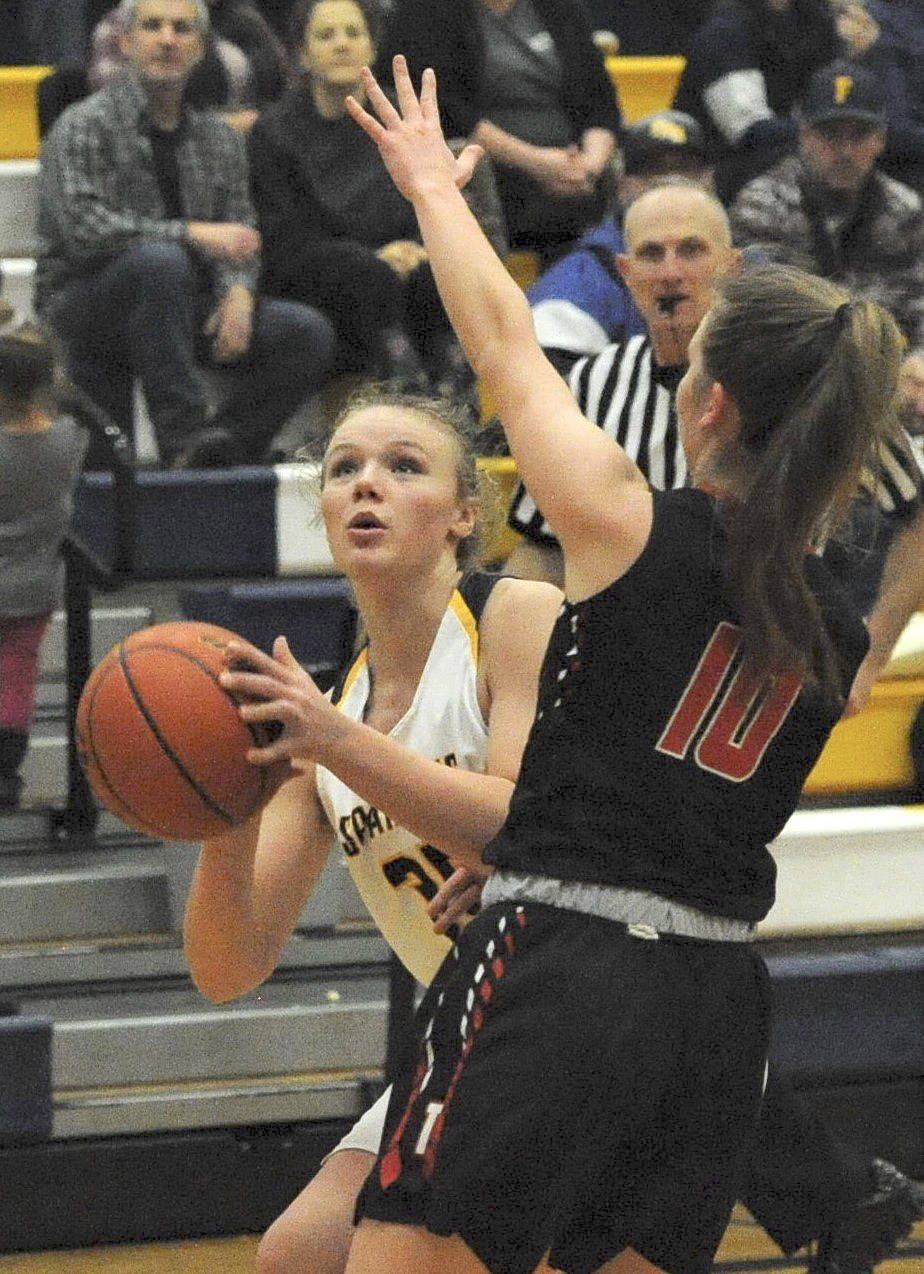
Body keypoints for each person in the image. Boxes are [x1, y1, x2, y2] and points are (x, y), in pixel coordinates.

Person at [207, 56, 908, 1274]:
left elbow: (501, 343)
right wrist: (548, 851)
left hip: (567, 972)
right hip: (713, 1005)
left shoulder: (633, 523)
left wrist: (431, 186)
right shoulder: (835, 628)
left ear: (706, 403)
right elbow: (667, 803)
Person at [181, 386, 563, 1274]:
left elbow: (525, 829)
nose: (366, 486)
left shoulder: (516, 617)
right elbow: (227, 968)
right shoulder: (330, 720)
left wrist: (336, 744)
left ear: (466, 513)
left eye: (403, 467)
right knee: (298, 1256)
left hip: (582, 1010)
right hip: (471, 1039)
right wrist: (223, 812)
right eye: (344, 468)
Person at [35, 0, 335, 469]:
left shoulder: (219, 139)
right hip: (85, 305)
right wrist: (192, 234)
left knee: (306, 333)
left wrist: (238, 291)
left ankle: (217, 449)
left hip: (177, 308)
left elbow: (240, 236)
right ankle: (182, 431)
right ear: (127, 42)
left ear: (200, 48)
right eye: (153, 27)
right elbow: (84, 232)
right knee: (161, 262)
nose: (168, 39)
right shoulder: (82, 125)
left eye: (182, 29)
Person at [247, 0, 506, 399]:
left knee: (435, 270)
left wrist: (417, 248)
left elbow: (426, 198)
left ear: (372, 48)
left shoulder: (402, 117)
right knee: (369, 275)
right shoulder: (272, 132)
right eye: (325, 35)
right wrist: (375, 255)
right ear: (302, 52)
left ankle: (455, 394)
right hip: (316, 273)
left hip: (397, 262)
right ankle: (404, 385)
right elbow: (287, 241)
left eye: (353, 34)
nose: (341, 45)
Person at [377, 0, 620, 260]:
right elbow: (450, 114)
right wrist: (541, 164)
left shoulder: (559, 8)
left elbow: (601, 100)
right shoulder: (427, 13)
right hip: (494, 165)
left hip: (575, 166)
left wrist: (588, 167)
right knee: (558, 210)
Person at [729, 59, 924, 350]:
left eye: (859, 135)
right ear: (805, 137)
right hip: (793, 362)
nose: (845, 151)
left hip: (889, 364)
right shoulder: (763, 206)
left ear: (881, 139)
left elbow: (919, 304)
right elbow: (754, 313)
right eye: (830, 135)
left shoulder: (905, 211)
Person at [526, 110, 714, 370]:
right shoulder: (580, 277)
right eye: (654, 171)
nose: (671, 182)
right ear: (624, 185)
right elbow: (542, 393)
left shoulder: (750, 262)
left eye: (685, 169)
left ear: (709, 180)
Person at [0, 321, 88, 808]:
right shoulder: (67, 441)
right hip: (34, 585)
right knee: (15, 672)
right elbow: (73, 409)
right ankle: (6, 774)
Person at [673, 0, 841, 201]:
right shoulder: (724, 33)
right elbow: (750, 134)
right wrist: (828, 132)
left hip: (797, 171)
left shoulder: (814, 20)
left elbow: (843, 99)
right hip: (726, 181)